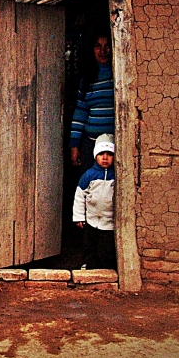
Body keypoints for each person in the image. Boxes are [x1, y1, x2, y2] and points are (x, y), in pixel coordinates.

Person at [69, 32, 114, 171]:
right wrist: (75, 146)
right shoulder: (87, 78)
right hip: (91, 144)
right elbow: (80, 113)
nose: (103, 51)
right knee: (91, 186)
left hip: (115, 145)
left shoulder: (118, 75)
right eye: (98, 46)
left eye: (107, 46)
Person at [73, 133, 116, 270]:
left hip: (109, 220)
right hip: (91, 218)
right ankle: (89, 265)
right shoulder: (89, 175)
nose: (105, 158)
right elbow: (80, 196)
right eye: (101, 154)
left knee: (106, 247)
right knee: (89, 244)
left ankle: (106, 268)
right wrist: (79, 217)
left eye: (109, 154)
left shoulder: (116, 175)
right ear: (95, 155)